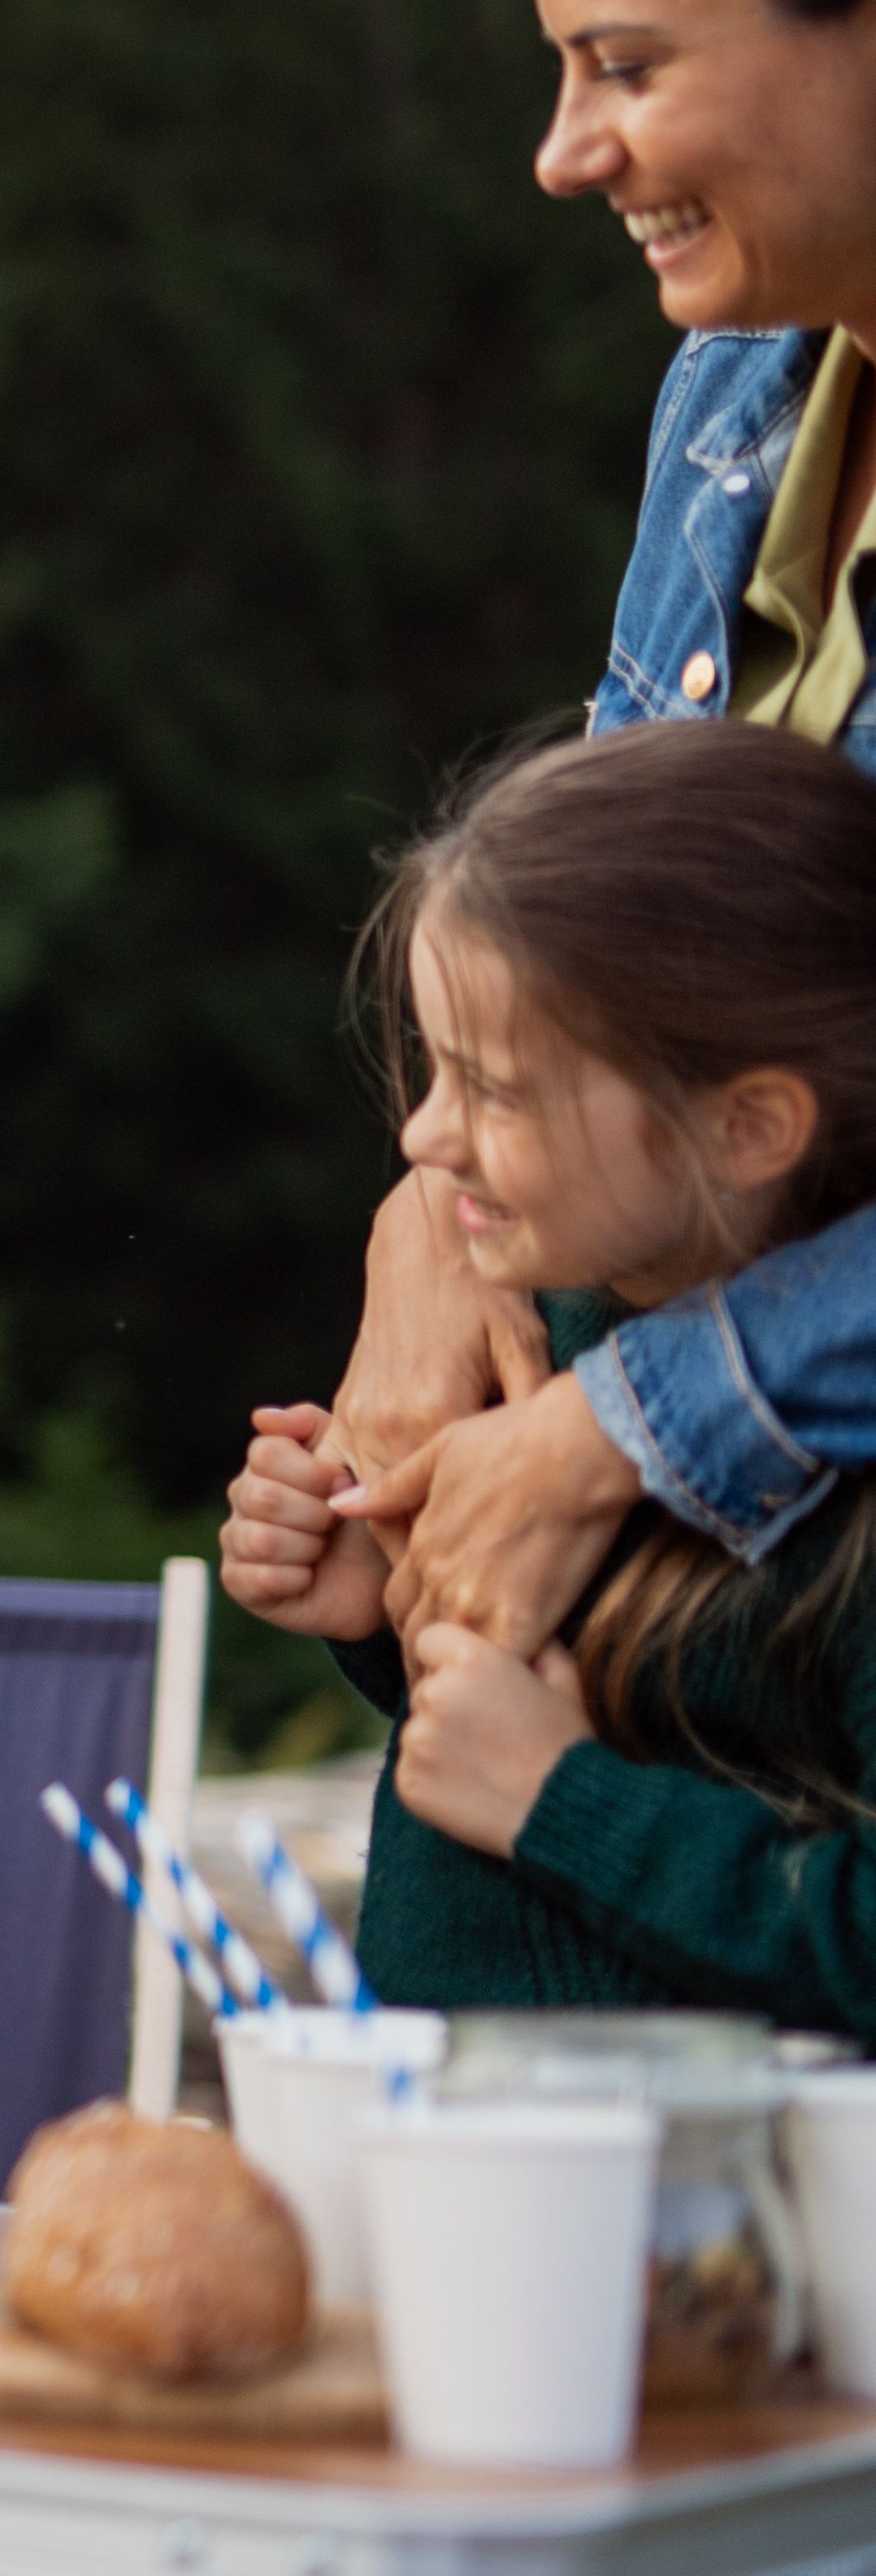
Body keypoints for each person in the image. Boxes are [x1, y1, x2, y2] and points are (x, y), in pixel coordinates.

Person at [323, 0, 876, 1661]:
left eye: (627, 65)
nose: (565, 150)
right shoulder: (731, 402)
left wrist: (628, 1422)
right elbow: (595, 970)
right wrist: (437, 1220)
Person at [223, 725, 876, 2031]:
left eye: (495, 1091)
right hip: (454, 2159)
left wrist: (561, 1801)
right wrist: (388, 1611)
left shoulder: (846, 1472)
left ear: (748, 1126)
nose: (421, 1138)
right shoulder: (546, 1334)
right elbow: (552, 1706)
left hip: (706, 2219)